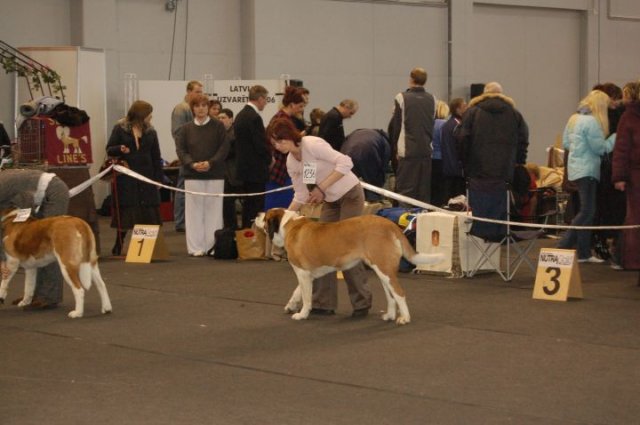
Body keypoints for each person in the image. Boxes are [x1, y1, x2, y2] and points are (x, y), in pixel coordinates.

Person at [267, 117, 372, 317]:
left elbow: (345, 162)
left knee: (347, 248)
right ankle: (323, 303)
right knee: (319, 249)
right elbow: (301, 194)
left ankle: (361, 303)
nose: (278, 146)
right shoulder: (292, 161)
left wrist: (321, 188)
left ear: (290, 136)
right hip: (330, 201)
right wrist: (284, 218)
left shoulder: (313, 144)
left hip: (350, 195)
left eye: (280, 141)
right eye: (274, 143)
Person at [454, 82, 529, 241]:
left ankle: (478, 239)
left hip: (477, 173)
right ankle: (499, 237)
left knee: (479, 211)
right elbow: (523, 140)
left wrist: (465, 163)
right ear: (502, 94)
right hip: (504, 174)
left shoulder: (472, 113)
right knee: (499, 209)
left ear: (483, 94)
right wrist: (517, 162)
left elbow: (462, 139)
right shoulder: (515, 114)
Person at [557, 90, 616, 262]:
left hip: (576, 169)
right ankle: (563, 245)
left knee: (587, 212)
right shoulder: (592, 122)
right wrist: (614, 138)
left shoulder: (574, 118)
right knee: (587, 211)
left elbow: (567, 143)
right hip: (588, 170)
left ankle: (583, 253)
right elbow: (600, 148)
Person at [0, 168, 69, 310]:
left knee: (47, 244)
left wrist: (2, 259)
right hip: (39, 196)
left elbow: (25, 202)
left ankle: (48, 296)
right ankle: (33, 295)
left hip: (53, 193)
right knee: (35, 244)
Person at [106, 100, 164, 256]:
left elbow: (156, 156)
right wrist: (120, 148)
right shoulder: (120, 129)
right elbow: (109, 149)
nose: (151, 117)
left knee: (146, 212)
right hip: (126, 177)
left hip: (146, 176)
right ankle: (119, 242)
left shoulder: (151, 132)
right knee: (127, 212)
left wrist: (158, 178)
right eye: (148, 114)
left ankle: (142, 250)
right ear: (140, 115)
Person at [175, 93, 229, 257]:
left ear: (208, 108)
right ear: (192, 109)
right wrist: (192, 164)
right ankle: (195, 247)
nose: (201, 109)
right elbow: (181, 150)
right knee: (194, 213)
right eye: (197, 106)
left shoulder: (218, 126)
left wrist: (210, 163)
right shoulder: (185, 129)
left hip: (215, 174)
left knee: (214, 211)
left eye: (204, 106)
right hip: (192, 175)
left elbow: (224, 148)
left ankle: (212, 246)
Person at [388, 67, 436, 205]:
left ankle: (404, 222)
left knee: (406, 192)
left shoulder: (401, 97)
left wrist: (395, 151)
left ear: (411, 79)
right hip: (426, 152)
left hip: (407, 152)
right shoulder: (432, 99)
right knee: (423, 192)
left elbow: (395, 127)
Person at [233, 85, 272, 229]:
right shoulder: (254, 117)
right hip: (255, 170)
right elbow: (260, 144)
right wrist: (269, 159)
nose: (266, 103)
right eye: (266, 99)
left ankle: (246, 234)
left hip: (244, 169)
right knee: (255, 206)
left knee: (248, 206)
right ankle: (253, 236)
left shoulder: (240, 115)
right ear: (260, 98)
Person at [612, 81, 640, 270]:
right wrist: (619, 177)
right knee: (635, 219)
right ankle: (632, 261)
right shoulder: (628, 116)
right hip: (635, 175)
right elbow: (621, 149)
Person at [171, 80, 204, 233]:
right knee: (183, 189)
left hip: (198, 155)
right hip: (187, 156)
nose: (200, 95)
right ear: (189, 92)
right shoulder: (181, 109)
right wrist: (185, 154)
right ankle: (180, 222)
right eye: (197, 92)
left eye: (201, 92)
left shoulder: (195, 110)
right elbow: (177, 134)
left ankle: (189, 220)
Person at [266, 86, 306, 210]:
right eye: (300, 106)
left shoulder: (282, 118)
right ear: (292, 104)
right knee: (277, 208)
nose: (301, 110)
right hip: (280, 174)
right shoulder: (282, 119)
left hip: (283, 173)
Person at [340, 128, 391, 202]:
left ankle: (346, 201)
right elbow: (383, 167)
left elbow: (345, 141)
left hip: (348, 151)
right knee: (373, 182)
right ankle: (373, 204)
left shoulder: (359, 131)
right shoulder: (385, 142)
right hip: (369, 153)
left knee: (347, 181)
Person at [218, 108, 242, 229]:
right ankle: (230, 228)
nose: (221, 120)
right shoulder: (218, 134)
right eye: (219, 118)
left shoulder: (235, 134)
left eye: (224, 117)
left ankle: (234, 229)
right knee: (226, 205)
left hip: (235, 175)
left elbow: (227, 153)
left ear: (231, 119)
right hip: (223, 175)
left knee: (230, 203)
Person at [440, 97, 467, 203]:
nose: (467, 108)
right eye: (464, 106)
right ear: (457, 109)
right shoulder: (457, 126)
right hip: (457, 170)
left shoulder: (447, 125)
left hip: (448, 168)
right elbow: (461, 147)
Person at [430, 100, 450, 207]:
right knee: (441, 188)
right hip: (441, 159)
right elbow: (445, 143)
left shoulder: (429, 123)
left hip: (430, 159)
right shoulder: (444, 124)